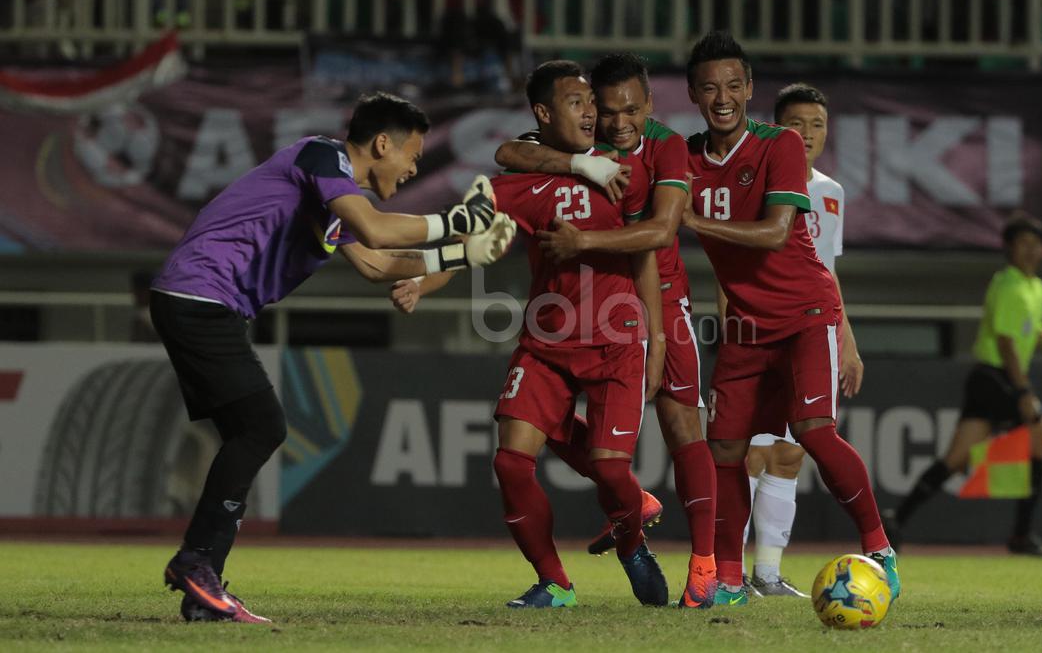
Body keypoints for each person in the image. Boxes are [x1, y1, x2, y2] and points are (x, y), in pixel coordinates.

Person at [152, 92, 514, 623]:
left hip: (203, 300)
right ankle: (197, 561)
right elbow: (376, 229)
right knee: (260, 427)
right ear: (382, 143)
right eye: (412, 155)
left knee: (253, 430)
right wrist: (457, 220)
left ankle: (201, 588)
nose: (414, 167)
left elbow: (375, 262)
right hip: (200, 295)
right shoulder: (323, 156)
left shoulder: (334, 194)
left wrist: (465, 252)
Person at [679, 30, 898, 606]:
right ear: (694, 95)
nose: (722, 96)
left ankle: (879, 549)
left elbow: (776, 233)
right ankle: (731, 580)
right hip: (747, 327)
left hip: (804, 313)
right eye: (709, 87)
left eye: (732, 84)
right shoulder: (684, 157)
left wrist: (693, 222)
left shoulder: (778, 144)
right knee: (725, 449)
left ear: (749, 88)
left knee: (811, 433)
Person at [492, 52, 718, 608]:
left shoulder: (664, 145)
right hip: (571, 316)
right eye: (601, 107)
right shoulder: (577, 151)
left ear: (648, 105)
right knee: (540, 446)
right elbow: (507, 152)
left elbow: (660, 233)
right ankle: (595, 546)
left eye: (628, 110)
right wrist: (577, 165)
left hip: (656, 300)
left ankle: (709, 565)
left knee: (681, 425)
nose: (616, 122)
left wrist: (658, 339)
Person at [885, 213, 1042, 555]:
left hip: (993, 379)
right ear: (1009, 248)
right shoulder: (1007, 284)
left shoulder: (1038, 288)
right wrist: (1023, 391)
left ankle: (895, 518)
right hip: (995, 376)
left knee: (956, 458)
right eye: (1024, 244)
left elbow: (1025, 336)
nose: (1031, 251)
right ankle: (1021, 535)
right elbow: (1005, 343)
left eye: (1037, 245)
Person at [741, 83, 864, 598]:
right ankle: (724, 571)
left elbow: (827, 272)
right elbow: (739, 264)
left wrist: (848, 341)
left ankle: (767, 574)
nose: (808, 133)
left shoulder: (829, 191)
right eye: (797, 123)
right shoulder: (758, 181)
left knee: (789, 454)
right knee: (749, 449)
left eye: (817, 124)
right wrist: (737, 328)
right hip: (759, 327)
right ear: (777, 128)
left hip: (813, 332)